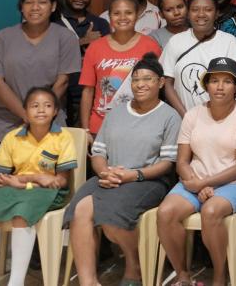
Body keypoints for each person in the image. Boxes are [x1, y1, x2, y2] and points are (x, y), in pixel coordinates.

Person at [65, 55, 181, 286]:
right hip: (111, 176)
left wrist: (133, 175)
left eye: (147, 79)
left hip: (147, 180)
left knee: (111, 218)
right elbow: (99, 152)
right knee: (80, 210)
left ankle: (133, 265)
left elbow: (167, 163)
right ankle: (88, 282)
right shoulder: (116, 112)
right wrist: (104, 172)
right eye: (136, 79)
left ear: (160, 83)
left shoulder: (170, 116)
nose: (140, 84)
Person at [156, 57, 236, 286]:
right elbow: (182, 162)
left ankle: (219, 277)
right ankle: (183, 275)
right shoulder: (193, 114)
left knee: (210, 211)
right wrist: (195, 182)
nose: (220, 87)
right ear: (206, 85)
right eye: (214, 81)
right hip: (195, 181)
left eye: (227, 82)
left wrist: (204, 184)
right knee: (165, 213)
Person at [0, 86, 77, 286]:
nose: (41, 110)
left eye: (47, 105)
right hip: (15, 189)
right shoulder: (12, 137)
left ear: (55, 111)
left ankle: (16, 282)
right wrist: (37, 178)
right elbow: (2, 178)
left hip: (48, 193)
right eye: (34, 106)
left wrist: (23, 180)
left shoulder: (63, 137)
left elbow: (59, 181)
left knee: (22, 215)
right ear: (26, 111)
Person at [0, 0, 81, 160]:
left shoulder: (65, 38)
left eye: (42, 2)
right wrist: (26, 115)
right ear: (21, 6)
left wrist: (40, 114)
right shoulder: (3, 37)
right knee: (3, 176)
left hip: (49, 122)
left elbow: (62, 81)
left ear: (53, 6)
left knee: (46, 176)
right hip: (4, 123)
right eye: (29, 2)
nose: (35, 7)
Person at [79, 0, 162, 138]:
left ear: (137, 15)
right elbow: (87, 91)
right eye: (116, 13)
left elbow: (157, 88)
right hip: (101, 127)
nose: (122, 17)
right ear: (109, 16)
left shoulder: (151, 46)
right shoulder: (95, 47)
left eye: (128, 13)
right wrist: (85, 129)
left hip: (140, 125)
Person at [161, 0, 236, 115]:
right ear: (188, 13)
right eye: (195, 10)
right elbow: (167, 83)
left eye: (208, 10)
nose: (201, 14)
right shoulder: (175, 42)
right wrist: (186, 116)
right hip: (184, 119)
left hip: (222, 118)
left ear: (217, 13)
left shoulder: (230, 42)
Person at [59, 0, 110, 128]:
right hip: (60, 97)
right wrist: (83, 42)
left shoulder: (101, 24)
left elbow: (109, 59)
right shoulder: (54, 22)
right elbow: (47, 54)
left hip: (92, 98)